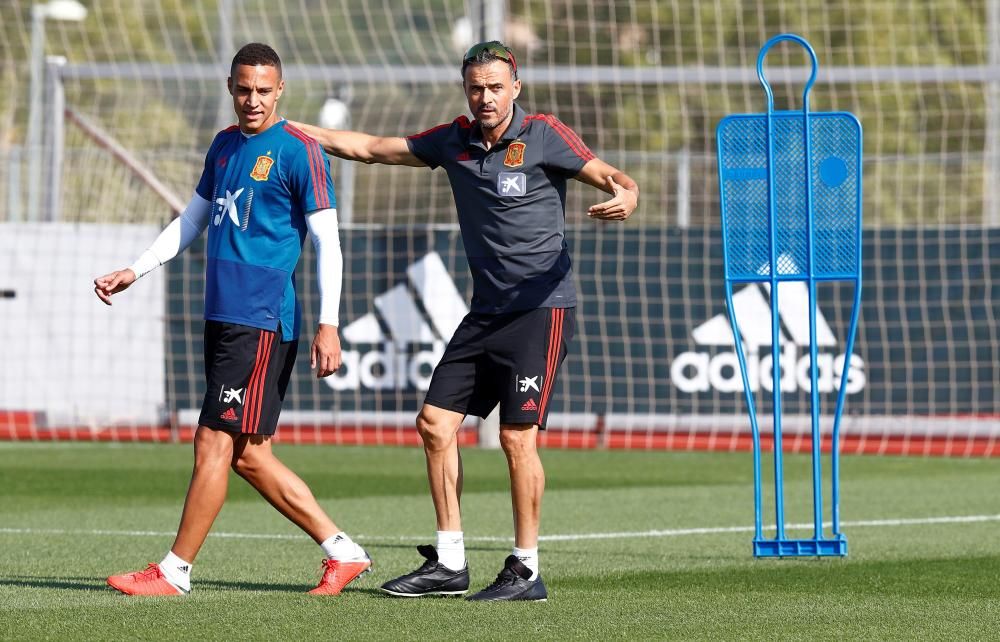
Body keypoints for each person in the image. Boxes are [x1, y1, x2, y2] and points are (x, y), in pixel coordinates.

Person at [292, 40, 638, 602]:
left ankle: (526, 570)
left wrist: (629, 193)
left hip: (541, 309)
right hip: (485, 313)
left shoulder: (544, 133)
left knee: (515, 437)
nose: (485, 97)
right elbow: (374, 148)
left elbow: (609, 174)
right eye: (476, 87)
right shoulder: (453, 140)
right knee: (434, 423)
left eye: (496, 87)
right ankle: (450, 563)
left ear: (515, 87)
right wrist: (296, 131)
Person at [94, 43, 371, 597]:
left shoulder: (299, 150)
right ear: (230, 86)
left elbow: (328, 243)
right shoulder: (224, 145)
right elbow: (193, 217)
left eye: (263, 90)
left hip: (261, 318)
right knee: (248, 454)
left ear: (280, 89)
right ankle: (344, 553)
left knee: (213, 441)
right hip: (222, 314)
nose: (253, 100)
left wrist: (329, 323)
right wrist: (138, 268)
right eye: (244, 89)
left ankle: (174, 570)